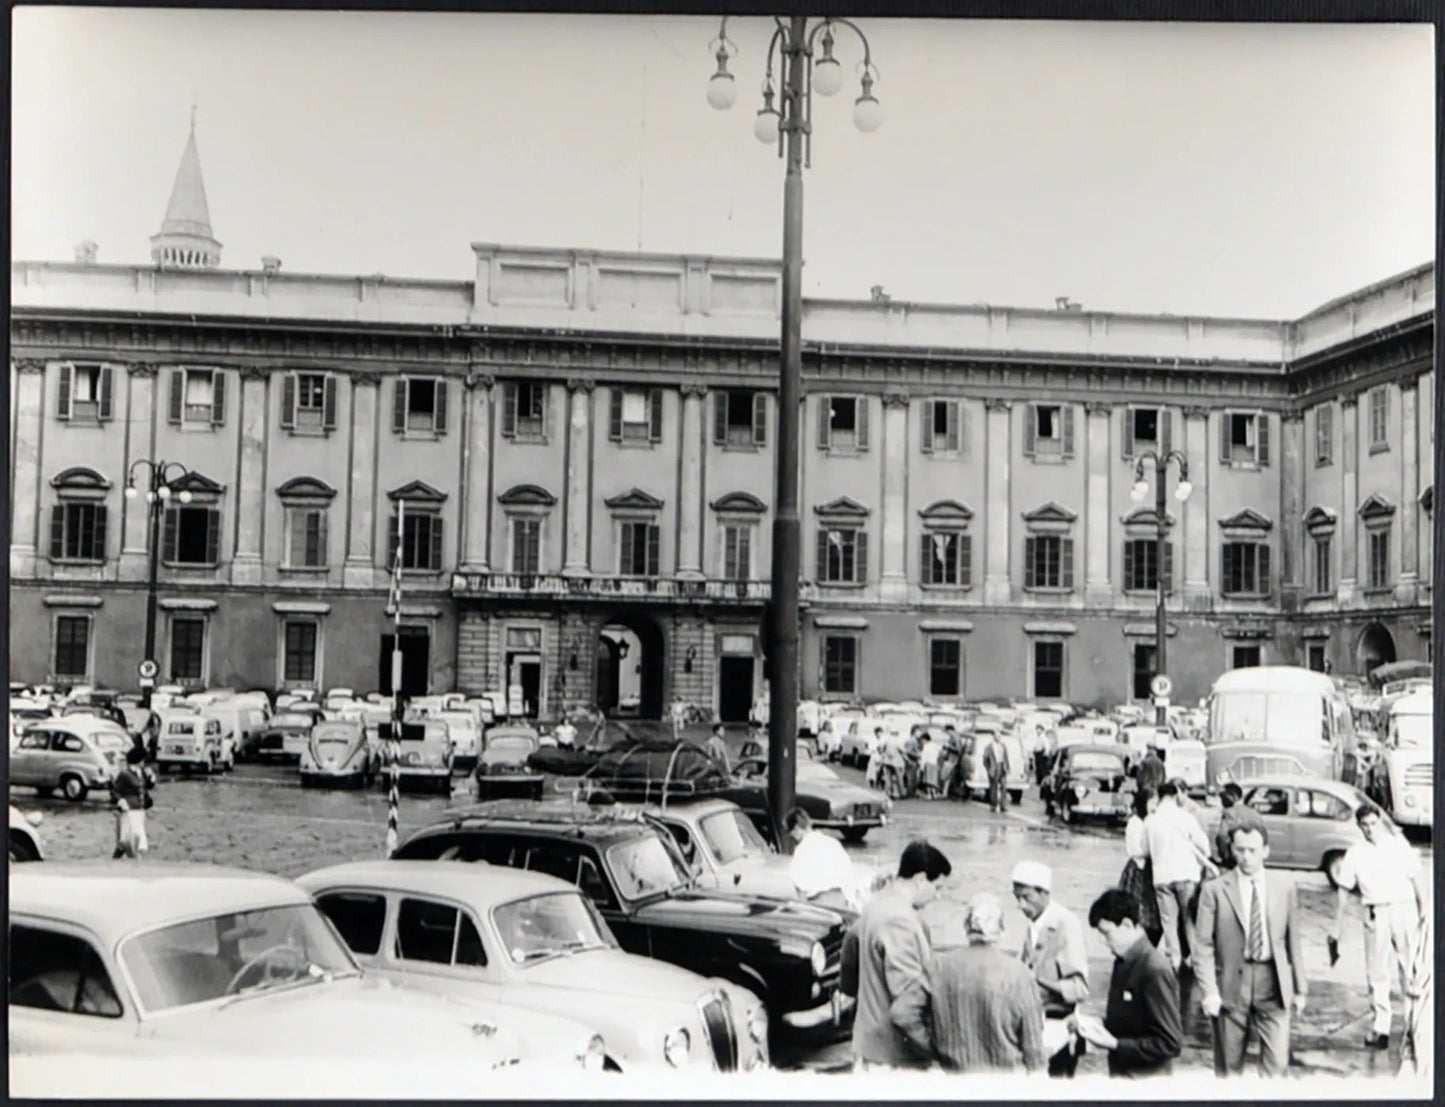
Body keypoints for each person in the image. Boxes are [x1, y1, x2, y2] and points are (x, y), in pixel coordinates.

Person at [1194, 824, 1307, 1076]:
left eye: (1252, 850)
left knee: (1278, 1063)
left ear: (1265, 851)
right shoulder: (1214, 890)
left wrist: (1300, 988)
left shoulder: (1284, 887)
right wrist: (1209, 991)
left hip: (1273, 981)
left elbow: (1293, 942)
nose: (1246, 856)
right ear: (1232, 850)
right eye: (1240, 850)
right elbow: (1202, 945)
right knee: (1229, 1065)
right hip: (1232, 982)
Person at [893, 892, 1046, 1073]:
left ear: (966, 927)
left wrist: (933, 1048)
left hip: (955, 1078)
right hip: (1005, 1083)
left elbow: (901, 1014)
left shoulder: (938, 967)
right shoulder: (1020, 974)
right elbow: (1034, 1050)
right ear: (1002, 930)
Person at [1329, 804, 1428, 1050]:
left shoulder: (1397, 845)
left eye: (1374, 823)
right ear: (1359, 826)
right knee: (1377, 971)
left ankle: (1414, 1025)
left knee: (1410, 968)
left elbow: (1416, 876)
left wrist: (1424, 907)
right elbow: (1343, 889)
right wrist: (1336, 924)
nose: (1370, 829)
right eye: (1365, 825)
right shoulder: (1355, 853)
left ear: (1380, 822)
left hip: (1403, 909)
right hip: (1375, 911)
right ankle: (1381, 1027)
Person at [850, 839, 953, 1070]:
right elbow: (907, 1004)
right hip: (894, 1055)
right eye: (937, 888)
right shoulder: (900, 920)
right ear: (920, 880)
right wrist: (936, 1050)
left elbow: (849, 970)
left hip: (870, 1045)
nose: (938, 896)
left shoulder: (875, 904)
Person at [1077, 887, 1183, 1078]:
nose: (1103, 941)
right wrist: (1095, 1025)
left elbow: (1169, 1043)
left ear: (1127, 925)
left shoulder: (1154, 969)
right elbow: (1130, 1022)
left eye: (1106, 933)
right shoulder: (1124, 961)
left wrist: (1115, 1044)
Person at [1012, 860, 1090, 1077]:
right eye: (1016, 898)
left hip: (1059, 1028)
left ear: (1044, 893)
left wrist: (1035, 980)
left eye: (1026, 897)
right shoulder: (1034, 923)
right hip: (1035, 1027)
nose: (1021, 905)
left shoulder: (1066, 924)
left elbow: (1080, 988)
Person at [1140, 781, 1216, 976]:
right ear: (1175, 796)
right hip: (1186, 873)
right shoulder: (1186, 817)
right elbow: (1203, 845)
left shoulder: (1151, 820)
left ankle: (1174, 960)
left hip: (1162, 877)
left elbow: (1144, 850)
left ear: (1159, 796)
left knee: (1169, 922)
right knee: (1189, 919)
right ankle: (1194, 960)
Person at [785, 806, 857, 910]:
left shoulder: (801, 850)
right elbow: (848, 872)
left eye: (791, 833)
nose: (792, 837)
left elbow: (799, 885)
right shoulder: (832, 843)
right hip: (840, 899)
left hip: (819, 903)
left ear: (796, 828)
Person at [1119, 787, 1163, 947]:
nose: (1155, 806)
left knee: (1153, 917)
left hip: (1151, 871)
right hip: (1138, 872)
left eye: (1156, 802)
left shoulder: (1152, 821)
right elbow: (1134, 850)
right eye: (1152, 802)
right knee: (1138, 913)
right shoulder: (1135, 822)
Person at [110, 744, 154, 859]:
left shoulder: (142, 772)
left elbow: (146, 787)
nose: (144, 762)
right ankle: (134, 864)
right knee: (131, 839)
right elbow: (114, 791)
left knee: (132, 840)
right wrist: (121, 801)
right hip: (129, 811)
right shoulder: (124, 774)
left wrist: (151, 779)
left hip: (140, 810)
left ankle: (118, 860)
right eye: (142, 760)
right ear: (137, 760)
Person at [1212, 782, 1265, 870]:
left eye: (1222, 797)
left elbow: (1222, 836)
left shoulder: (1229, 813)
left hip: (1235, 860)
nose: (1221, 801)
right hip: (1253, 859)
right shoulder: (1255, 813)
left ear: (1233, 797)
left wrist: (1226, 857)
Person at [983, 730, 1010, 813]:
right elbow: (985, 759)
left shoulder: (1003, 746)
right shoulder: (989, 747)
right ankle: (993, 805)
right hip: (994, 768)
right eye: (996, 736)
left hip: (1002, 767)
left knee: (1004, 787)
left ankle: (1003, 806)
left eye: (999, 736)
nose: (998, 738)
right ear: (993, 737)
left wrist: (1007, 767)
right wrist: (989, 769)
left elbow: (1006, 757)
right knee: (993, 787)